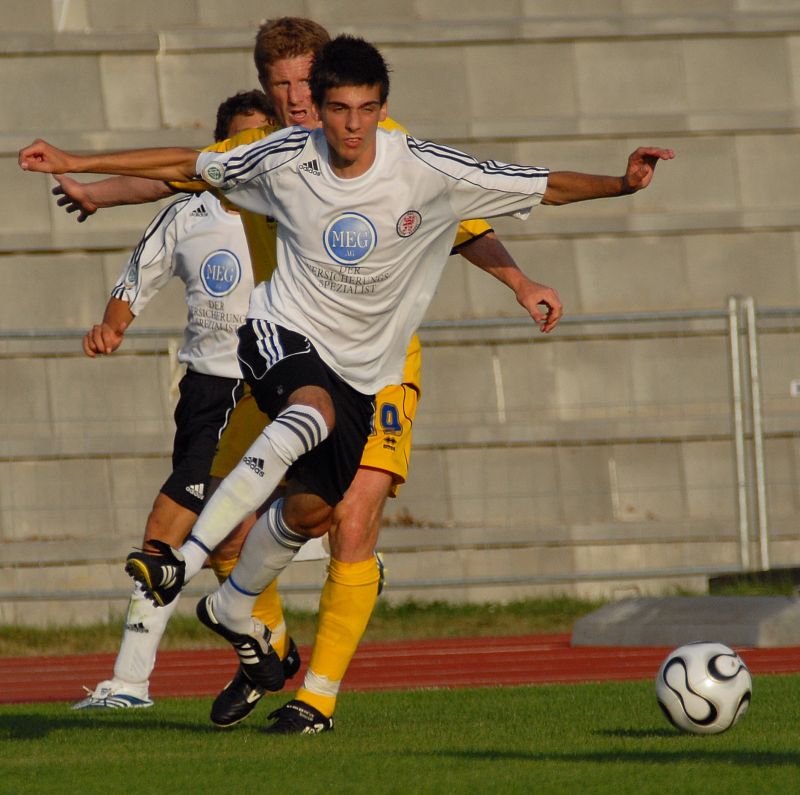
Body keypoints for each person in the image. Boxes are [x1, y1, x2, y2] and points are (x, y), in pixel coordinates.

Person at [20, 34, 671, 732]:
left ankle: (303, 684)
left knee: (335, 516)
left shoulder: (407, 157)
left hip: (378, 363)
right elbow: (178, 173)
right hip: (283, 342)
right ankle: (236, 622)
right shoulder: (271, 152)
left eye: (308, 85)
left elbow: (478, 213)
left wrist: (524, 276)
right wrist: (84, 178)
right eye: (285, 87)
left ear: (360, 98)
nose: (300, 100)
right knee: (243, 506)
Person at [70, 90, 306, 709]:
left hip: (265, 386)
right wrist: (112, 325)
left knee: (166, 530)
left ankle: (130, 682)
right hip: (205, 392)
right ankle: (270, 646)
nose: (249, 151)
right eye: (238, 140)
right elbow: (138, 273)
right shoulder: (189, 213)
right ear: (219, 148)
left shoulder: (291, 209)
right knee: (225, 539)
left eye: (262, 139)